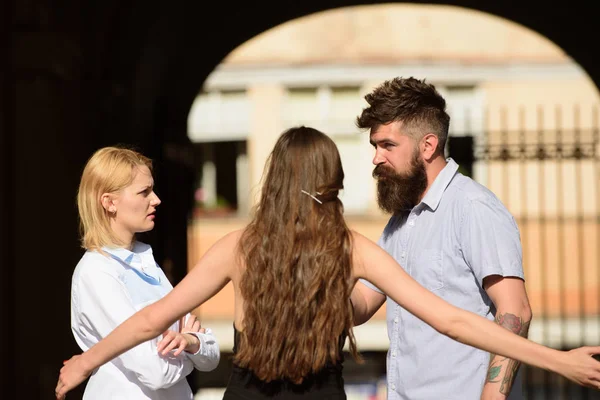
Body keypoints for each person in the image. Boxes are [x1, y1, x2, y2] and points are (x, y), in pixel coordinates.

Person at [56, 127, 600, 400]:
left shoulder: (238, 247)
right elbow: (454, 320)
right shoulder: (353, 247)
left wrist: (84, 363)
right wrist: (559, 362)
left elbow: (152, 320)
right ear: (329, 180)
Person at [350, 76, 530, 400]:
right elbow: (362, 304)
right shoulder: (399, 222)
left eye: (387, 145)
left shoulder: (473, 208)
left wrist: (492, 396)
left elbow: (515, 311)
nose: (376, 158)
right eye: (375, 146)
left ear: (428, 146)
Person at [68, 146, 220, 399]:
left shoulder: (145, 261)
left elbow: (210, 355)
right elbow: (155, 372)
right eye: (144, 192)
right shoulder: (96, 272)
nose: (156, 199)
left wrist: (192, 342)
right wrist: (190, 348)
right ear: (109, 202)